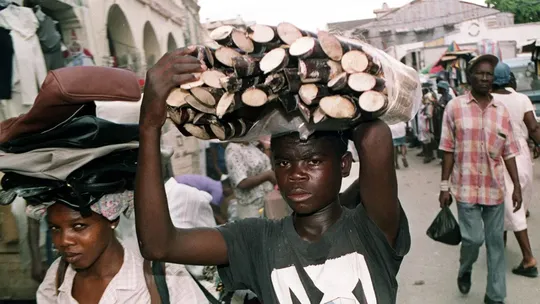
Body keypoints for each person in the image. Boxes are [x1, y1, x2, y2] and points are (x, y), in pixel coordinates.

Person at [134, 47, 410, 303]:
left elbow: (375, 139)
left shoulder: (370, 229)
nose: (296, 174)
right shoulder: (257, 241)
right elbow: (159, 245)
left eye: (313, 160)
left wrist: (335, 94)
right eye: (284, 162)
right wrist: (149, 125)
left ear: (344, 165)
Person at [439, 54, 522, 304]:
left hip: (494, 189)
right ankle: (465, 268)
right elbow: (447, 149)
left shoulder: (502, 111)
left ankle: (495, 295)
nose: (485, 78)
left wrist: (516, 185)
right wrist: (444, 187)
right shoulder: (455, 107)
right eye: (481, 73)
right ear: (470, 76)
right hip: (465, 190)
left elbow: (508, 152)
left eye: (489, 74)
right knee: (473, 239)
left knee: (496, 244)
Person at [32, 191, 207, 303]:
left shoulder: (161, 274)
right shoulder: (59, 274)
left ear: (112, 220)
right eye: (55, 229)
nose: (64, 241)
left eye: (79, 227)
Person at [492, 62, 540, 278]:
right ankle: (499, 246)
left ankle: (528, 258)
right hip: (522, 154)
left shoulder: (489, 101)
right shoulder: (522, 99)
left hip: (500, 153)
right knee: (514, 202)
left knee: (509, 204)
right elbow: (533, 128)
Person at [225, 141, 275, 219]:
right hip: (251, 208)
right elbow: (242, 182)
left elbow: (266, 167)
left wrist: (266, 148)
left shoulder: (252, 146)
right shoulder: (233, 149)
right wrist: (267, 176)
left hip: (267, 202)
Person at [418, 89, 435, 163]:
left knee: (428, 141)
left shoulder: (429, 106)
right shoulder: (425, 106)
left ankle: (429, 156)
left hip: (427, 127)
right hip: (423, 126)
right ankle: (428, 155)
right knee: (425, 140)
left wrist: (424, 117)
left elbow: (429, 116)